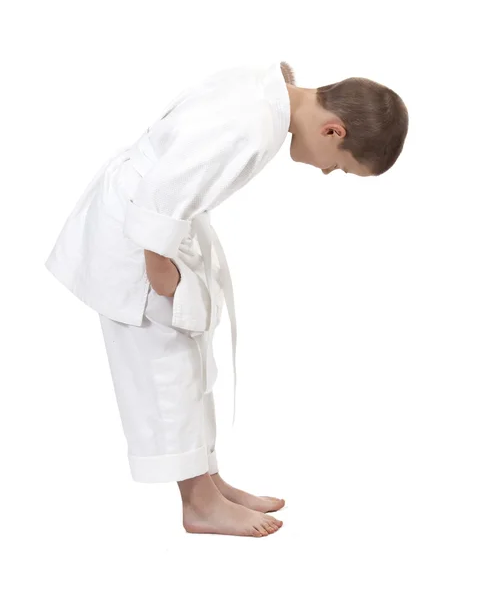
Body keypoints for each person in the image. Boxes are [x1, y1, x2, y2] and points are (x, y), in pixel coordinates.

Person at [44, 59, 408, 537]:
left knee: (191, 359)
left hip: (157, 230)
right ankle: (198, 504)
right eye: (339, 166)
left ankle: (210, 482)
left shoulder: (274, 96)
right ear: (334, 130)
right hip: (138, 235)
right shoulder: (258, 128)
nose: (325, 172)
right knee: (167, 367)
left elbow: (244, 82)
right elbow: (164, 189)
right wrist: (160, 274)